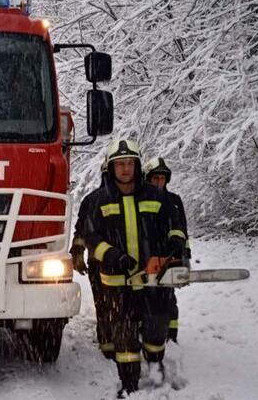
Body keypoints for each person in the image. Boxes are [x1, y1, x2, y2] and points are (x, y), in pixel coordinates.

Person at [83, 139, 186, 397]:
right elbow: (91, 238)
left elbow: (175, 225)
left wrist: (174, 245)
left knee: (156, 329)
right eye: (120, 164)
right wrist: (113, 256)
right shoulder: (98, 200)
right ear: (111, 168)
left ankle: (156, 367)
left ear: (138, 165)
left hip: (153, 281)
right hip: (118, 285)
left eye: (130, 163)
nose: (125, 169)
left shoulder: (157, 197)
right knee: (125, 338)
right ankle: (129, 387)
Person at [144, 157, 190, 343]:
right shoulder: (141, 200)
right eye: (155, 178)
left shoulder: (174, 200)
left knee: (169, 297)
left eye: (162, 178)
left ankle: (171, 334)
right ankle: (149, 331)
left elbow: (182, 229)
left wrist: (183, 253)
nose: (159, 182)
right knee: (146, 297)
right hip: (148, 257)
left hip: (170, 256)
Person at [70, 160, 109, 344]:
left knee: (110, 305)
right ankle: (108, 340)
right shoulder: (92, 200)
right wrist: (77, 252)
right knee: (104, 305)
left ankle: (113, 340)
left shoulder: (137, 200)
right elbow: (81, 230)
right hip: (99, 263)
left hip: (124, 263)